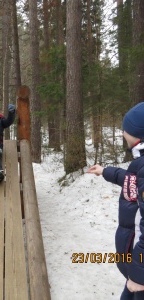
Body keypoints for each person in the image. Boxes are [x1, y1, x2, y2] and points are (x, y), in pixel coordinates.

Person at [87, 102, 144, 300]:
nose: (122, 133)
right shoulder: (140, 163)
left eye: (126, 130)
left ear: (139, 135)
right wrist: (105, 171)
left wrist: (139, 275)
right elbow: (132, 179)